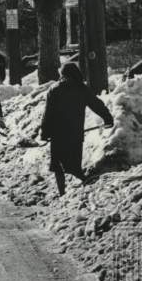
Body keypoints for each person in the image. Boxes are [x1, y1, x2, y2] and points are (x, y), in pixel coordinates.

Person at [39, 62, 114, 195]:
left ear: (63, 74)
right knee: (73, 166)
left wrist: (45, 132)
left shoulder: (55, 89)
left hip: (58, 134)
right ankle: (84, 182)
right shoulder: (81, 88)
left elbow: (48, 113)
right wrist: (107, 117)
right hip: (75, 133)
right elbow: (96, 104)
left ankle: (64, 191)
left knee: (58, 167)